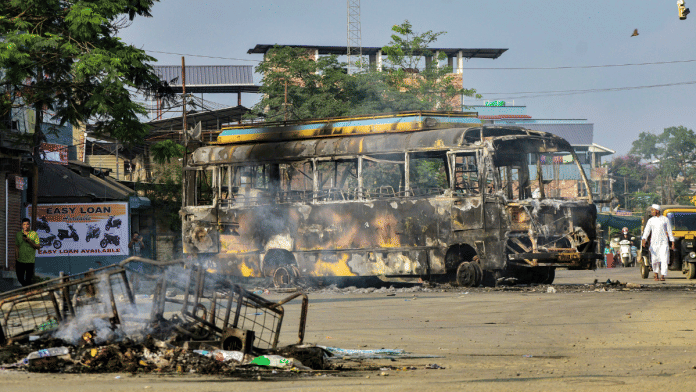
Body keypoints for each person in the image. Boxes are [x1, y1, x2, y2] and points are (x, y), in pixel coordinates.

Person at [642, 204, 675, 281]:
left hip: (663, 243)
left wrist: (672, 242)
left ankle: (663, 275)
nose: (651, 212)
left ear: (657, 211)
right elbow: (647, 231)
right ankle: (655, 274)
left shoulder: (665, 219)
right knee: (654, 260)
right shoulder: (651, 220)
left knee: (664, 259)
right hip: (654, 243)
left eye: (652, 210)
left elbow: (670, 231)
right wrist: (644, 239)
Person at [15, 218, 41, 286]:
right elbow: (17, 246)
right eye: (24, 224)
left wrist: (29, 241)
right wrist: (17, 257)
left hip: (30, 260)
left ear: (29, 225)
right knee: (20, 278)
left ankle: (26, 292)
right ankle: (26, 288)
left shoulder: (34, 234)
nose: (26, 226)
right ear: (21, 225)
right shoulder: (18, 234)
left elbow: (38, 246)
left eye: (27, 224)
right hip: (20, 260)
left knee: (28, 279)